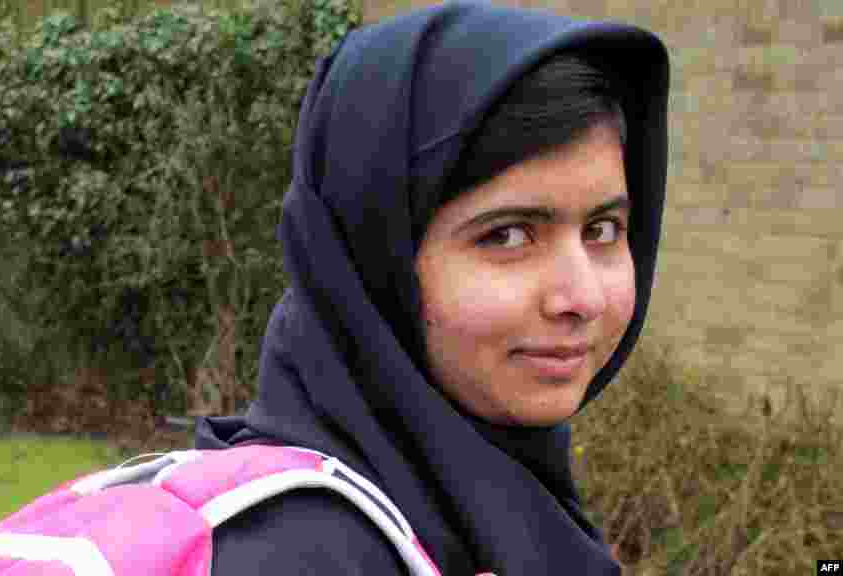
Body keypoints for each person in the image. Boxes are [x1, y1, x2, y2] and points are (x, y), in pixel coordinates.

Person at [196, 1, 670, 575]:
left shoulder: (501, 508)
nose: (583, 298)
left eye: (602, 230)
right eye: (509, 235)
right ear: (372, 260)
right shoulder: (289, 557)